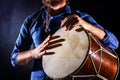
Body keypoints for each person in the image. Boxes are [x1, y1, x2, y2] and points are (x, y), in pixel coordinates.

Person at [11, 0, 119, 80]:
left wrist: (86, 25)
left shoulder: (80, 17)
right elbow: (14, 59)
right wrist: (33, 53)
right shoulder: (31, 20)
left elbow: (114, 43)